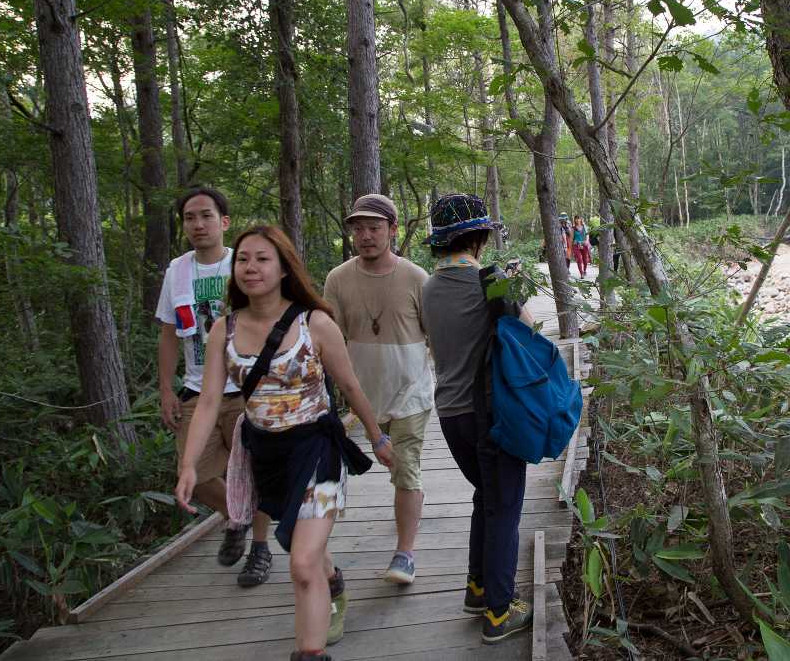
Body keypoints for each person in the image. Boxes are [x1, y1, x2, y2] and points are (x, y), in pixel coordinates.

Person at [175, 225, 394, 661]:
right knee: (299, 547)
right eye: (243, 259)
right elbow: (207, 403)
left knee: (299, 563)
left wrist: (377, 437)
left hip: (317, 450)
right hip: (264, 455)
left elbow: (350, 386)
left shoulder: (314, 323)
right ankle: (333, 585)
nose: (250, 267)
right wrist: (189, 465)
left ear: (282, 268)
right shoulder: (225, 328)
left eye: (262, 259)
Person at [420, 193, 535, 644]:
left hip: (450, 415)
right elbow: (526, 329)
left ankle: (478, 586)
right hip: (491, 412)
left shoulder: (428, 287)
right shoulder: (492, 278)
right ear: (480, 236)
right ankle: (500, 611)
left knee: (485, 496)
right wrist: (511, 288)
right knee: (504, 505)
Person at [156, 187, 274, 587]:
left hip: (246, 388)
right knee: (197, 475)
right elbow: (169, 332)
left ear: (224, 222)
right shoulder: (177, 271)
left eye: (206, 216)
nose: (197, 224)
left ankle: (259, 549)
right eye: (190, 217)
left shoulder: (242, 265)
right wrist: (166, 389)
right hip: (196, 389)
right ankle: (236, 517)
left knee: (255, 473)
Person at [323, 194, 434, 585]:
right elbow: (328, 339)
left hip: (411, 394)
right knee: (386, 470)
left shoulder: (417, 278)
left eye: (374, 227)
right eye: (358, 228)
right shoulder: (337, 279)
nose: (365, 235)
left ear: (393, 230)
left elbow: (434, 339)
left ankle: (405, 553)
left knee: (406, 470)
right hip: (360, 397)